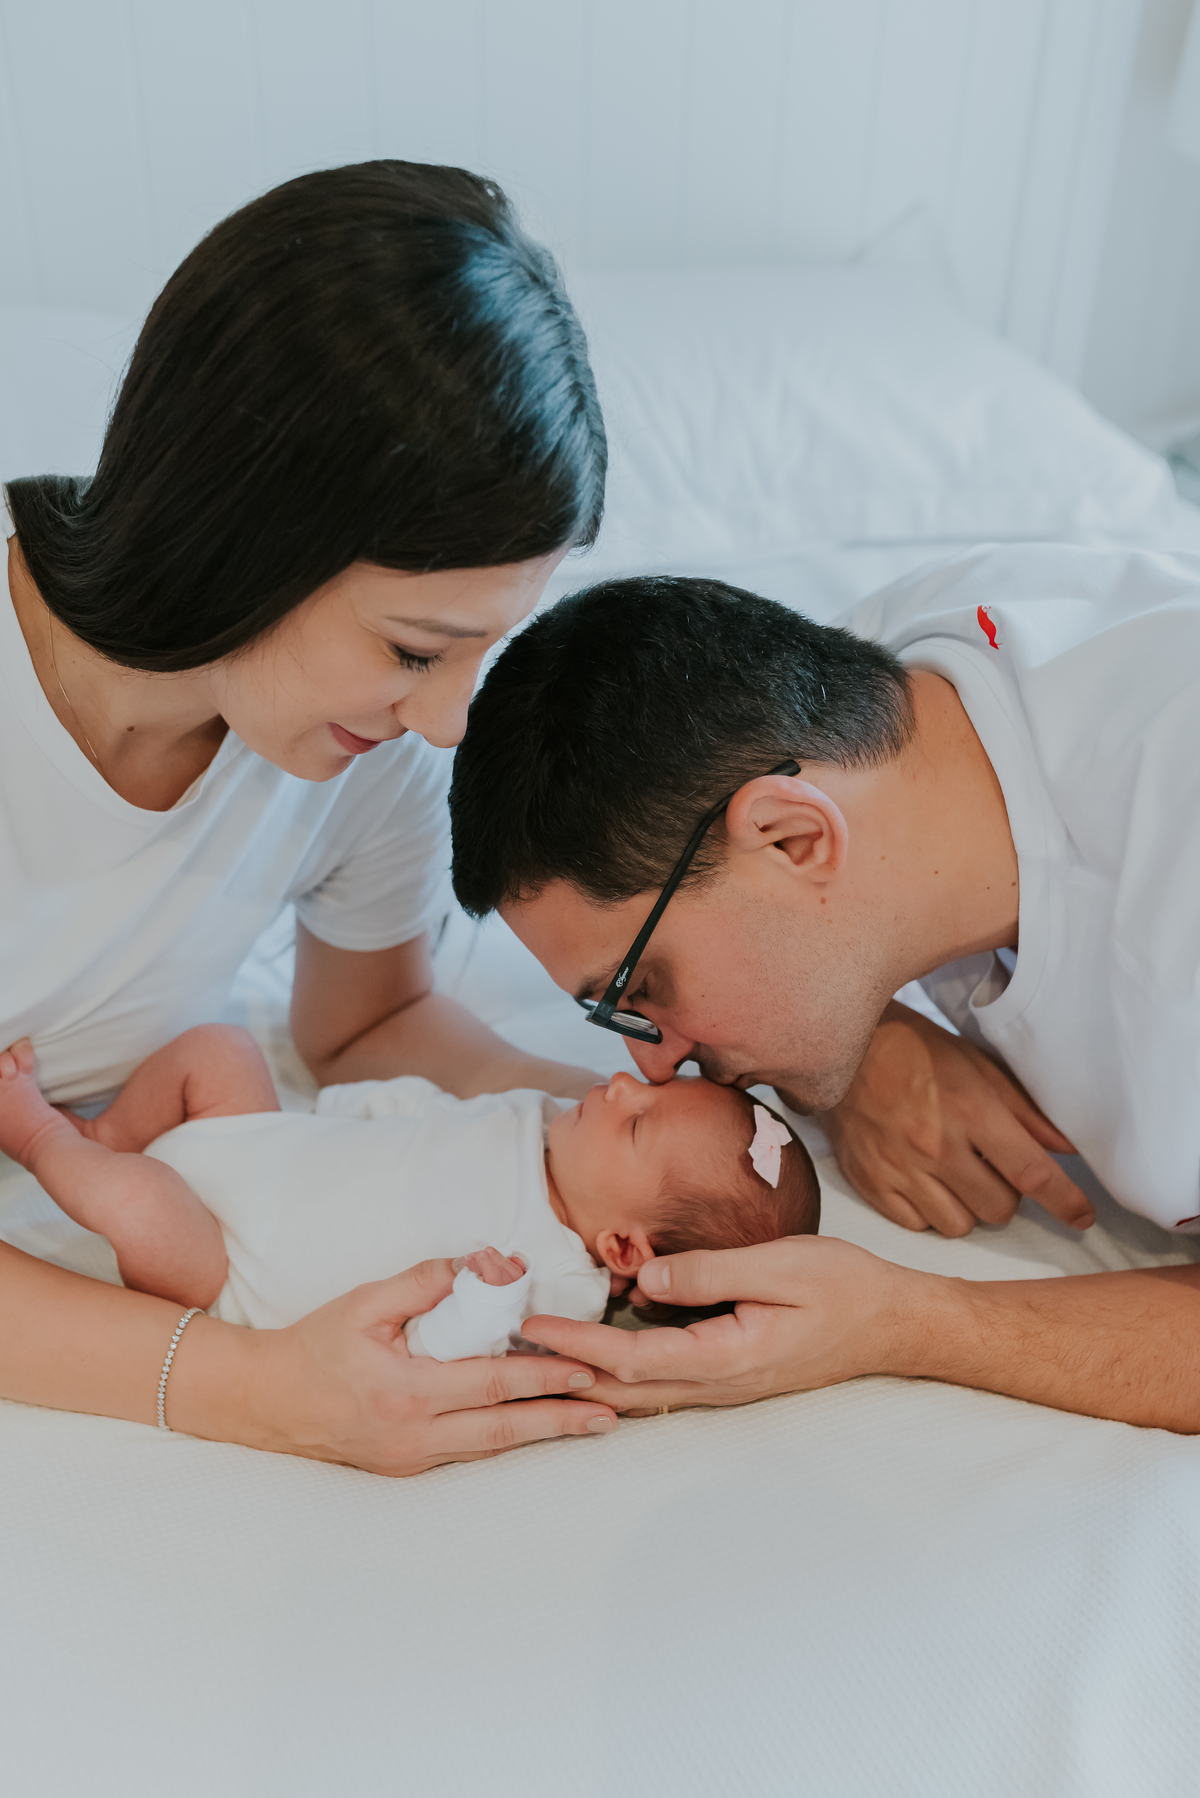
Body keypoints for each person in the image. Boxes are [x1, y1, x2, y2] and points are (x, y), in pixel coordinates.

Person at [0, 159, 626, 1473]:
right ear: (249, 528)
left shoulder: (365, 752)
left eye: (480, 653)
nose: (451, 720)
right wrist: (251, 1385)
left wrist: (640, 1132)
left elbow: (367, 1023)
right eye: (414, 648)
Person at [447, 557, 1200, 1432]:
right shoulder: (897, 672)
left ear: (792, 838)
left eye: (640, 987)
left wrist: (903, 1322)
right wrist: (868, 1040)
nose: (650, 1064)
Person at [0, 1028, 816, 1380]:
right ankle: (104, 1130)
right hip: (270, 1145)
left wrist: (483, 1311)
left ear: (624, 1249)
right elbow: (427, 1115)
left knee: (138, 1204)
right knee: (221, 1050)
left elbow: (440, 1351)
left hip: (224, 1262)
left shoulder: (546, 1281)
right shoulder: (538, 1118)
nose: (618, 1085)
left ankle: (36, 1135)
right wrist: (352, 1111)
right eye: (647, 1088)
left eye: (636, 1124)